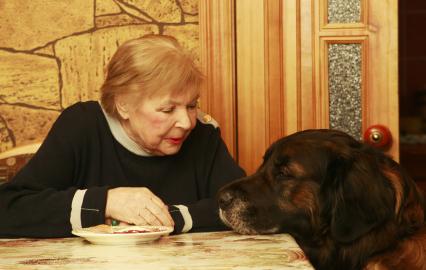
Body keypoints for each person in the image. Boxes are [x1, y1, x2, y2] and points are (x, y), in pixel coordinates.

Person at [0, 35, 245, 238]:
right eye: (168, 109)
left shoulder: (203, 134)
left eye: (191, 105)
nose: (187, 122)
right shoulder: (82, 125)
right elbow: (9, 208)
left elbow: (245, 206)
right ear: (123, 105)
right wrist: (106, 202)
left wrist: (168, 219)